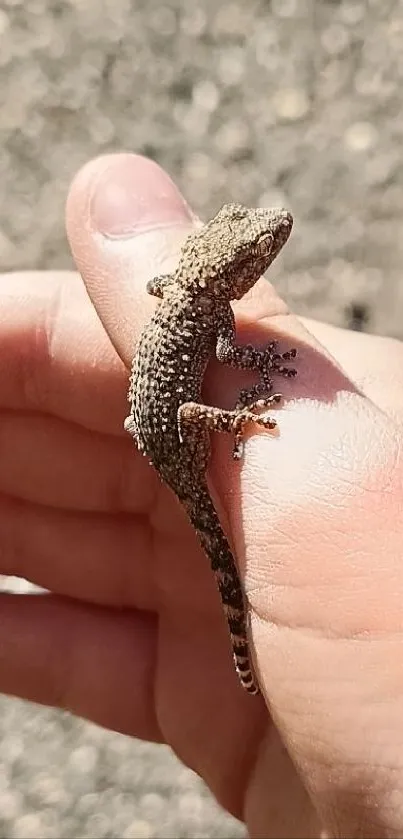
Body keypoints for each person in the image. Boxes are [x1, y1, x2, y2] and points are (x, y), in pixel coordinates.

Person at [1, 153, 403, 838]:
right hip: (177, 427)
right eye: (256, 246)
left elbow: (161, 281)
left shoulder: (184, 290)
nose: (272, 234)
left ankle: (244, 649)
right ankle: (243, 647)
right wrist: (235, 416)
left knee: (212, 534)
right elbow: (237, 356)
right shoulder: (214, 315)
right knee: (213, 524)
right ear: (230, 273)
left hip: (152, 431)